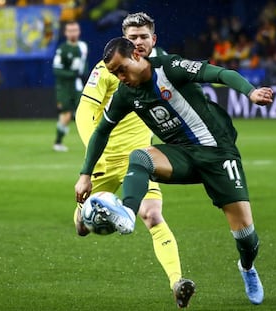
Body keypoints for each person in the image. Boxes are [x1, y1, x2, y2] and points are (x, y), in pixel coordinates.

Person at [75, 37, 273, 306]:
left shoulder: (169, 68)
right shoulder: (126, 94)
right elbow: (101, 131)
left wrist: (249, 92)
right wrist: (85, 174)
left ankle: (247, 268)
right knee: (141, 156)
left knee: (246, 238)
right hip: (181, 154)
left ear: (136, 55)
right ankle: (128, 214)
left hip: (218, 153)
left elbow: (220, 73)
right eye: (114, 74)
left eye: (121, 69)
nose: (120, 78)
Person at [73, 13, 193, 308]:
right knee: (81, 226)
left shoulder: (161, 68)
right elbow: (83, 113)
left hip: (138, 161)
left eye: (142, 37)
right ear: (124, 41)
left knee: (153, 215)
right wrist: (92, 157)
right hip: (103, 162)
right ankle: (98, 210)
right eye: (132, 38)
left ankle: (177, 282)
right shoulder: (106, 71)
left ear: (153, 38)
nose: (137, 43)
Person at [52, 20, 88, 152]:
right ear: (65, 33)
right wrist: (73, 74)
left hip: (78, 86)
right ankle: (58, 142)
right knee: (66, 114)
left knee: (87, 112)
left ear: (79, 31)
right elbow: (56, 70)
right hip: (64, 87)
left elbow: (84, 64)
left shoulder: (83, 46)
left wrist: (84, 74)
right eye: (70, 30)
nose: (73, 33)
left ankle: (92, 142)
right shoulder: (62, 49)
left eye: (75, 30)